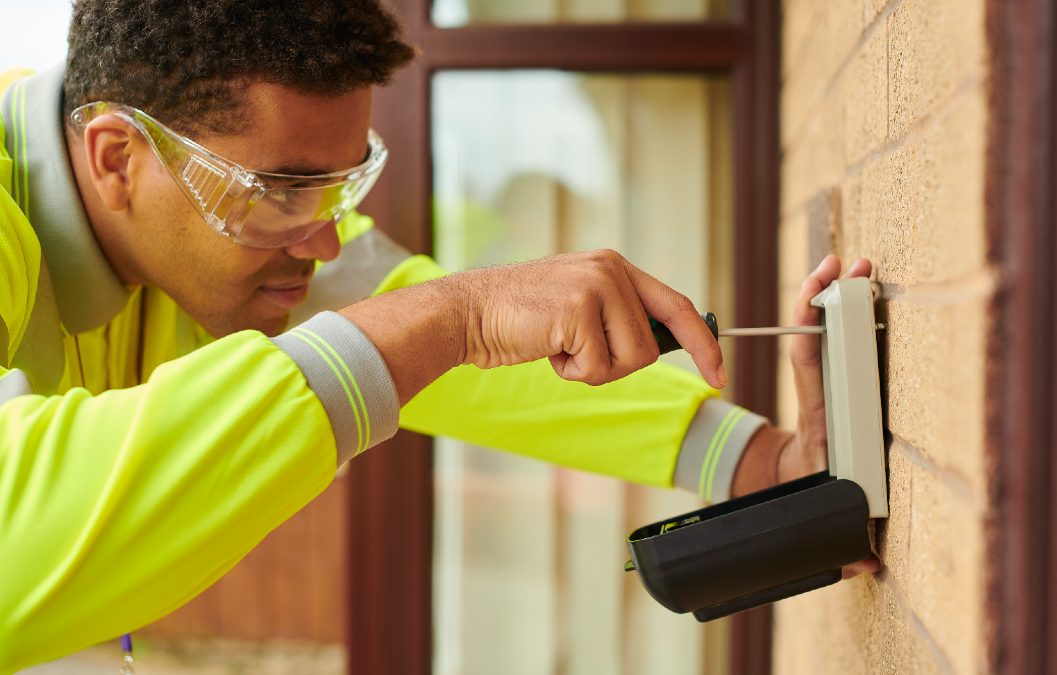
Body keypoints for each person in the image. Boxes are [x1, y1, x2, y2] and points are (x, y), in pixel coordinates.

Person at [0, 1, 877, 671]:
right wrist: (452, 319)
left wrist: (760, 464)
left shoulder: (204, 235)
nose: (325, 240)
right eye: (280, 191)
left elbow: (449, 346)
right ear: (118, 157)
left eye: (342, 186)